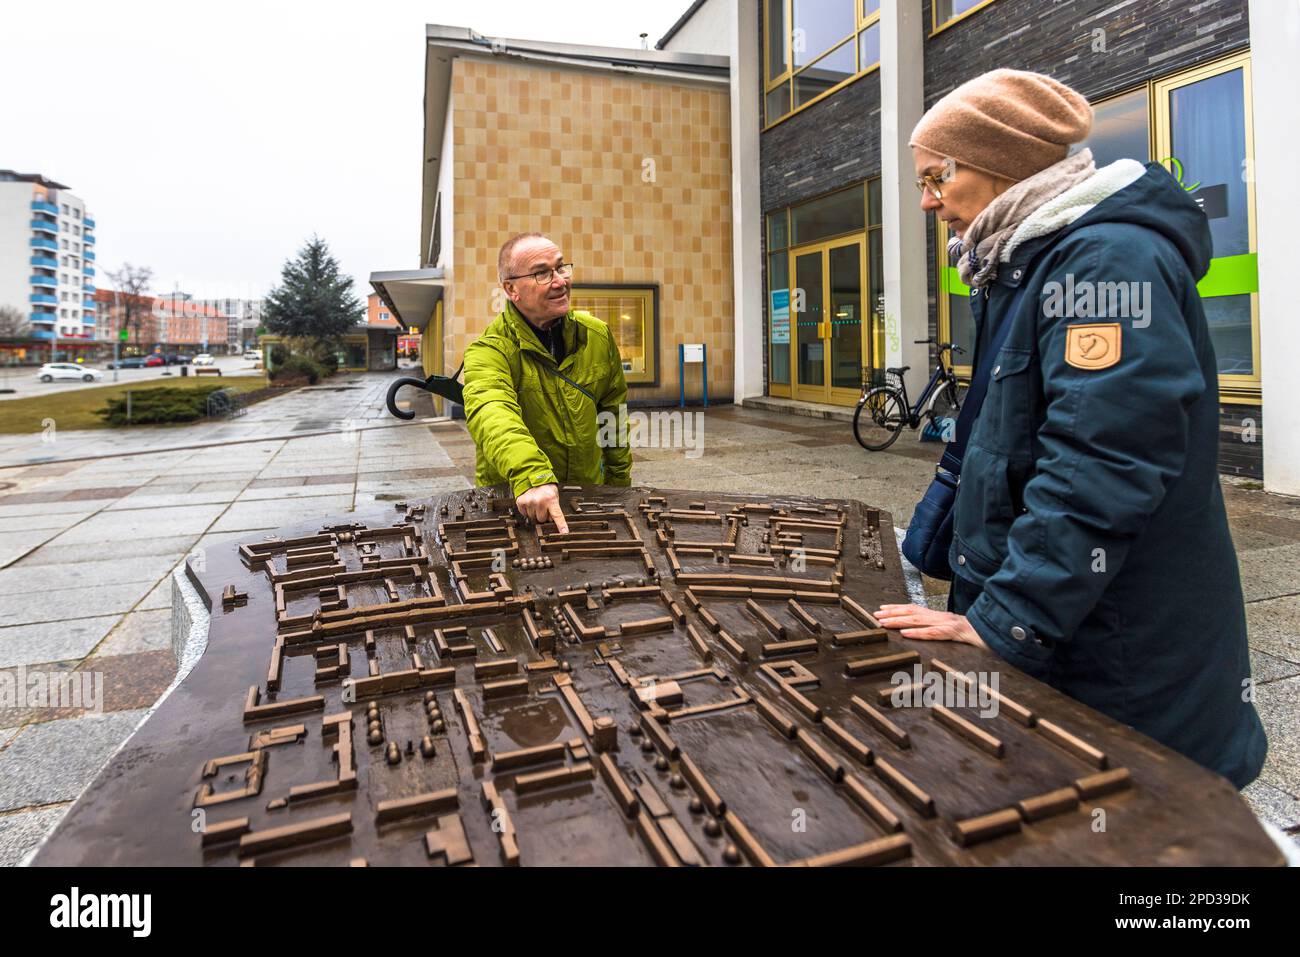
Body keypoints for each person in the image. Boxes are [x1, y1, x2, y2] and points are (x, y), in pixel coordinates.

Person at [875, 69, 1266, 789]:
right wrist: (922, 551)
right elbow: (979, 442)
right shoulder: (1017, 264)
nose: (927, 200)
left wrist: (1004, 623)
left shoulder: (1107, 261)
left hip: (1121, 656)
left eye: (937, 178)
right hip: (1073, 632)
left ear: (998, 164)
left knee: (1136, 835)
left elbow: (1098, 466)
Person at [462, 232, 632, 534]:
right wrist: (532, 476)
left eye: (561, 267)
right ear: (511, 289)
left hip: (586, 498)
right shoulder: (489, 350)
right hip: (517, 503)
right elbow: (492, 411)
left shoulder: (597, 335)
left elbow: (612, 415)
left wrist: (618, 490)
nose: (559, 281)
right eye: (542, 273)